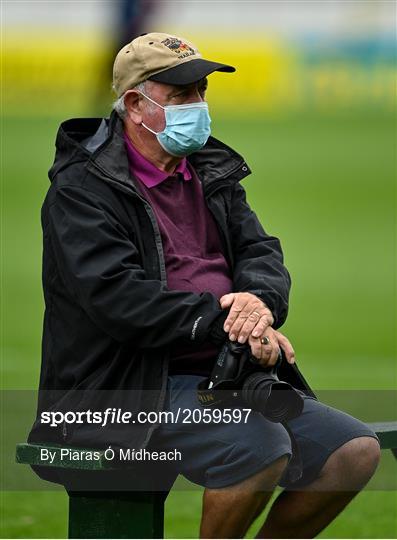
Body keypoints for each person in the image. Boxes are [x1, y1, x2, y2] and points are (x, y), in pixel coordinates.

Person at [29, 32, 380, 538]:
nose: (198, 105)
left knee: (354, 451)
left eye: (201, 92)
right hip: (125, 385)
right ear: (135, 104)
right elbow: (118, 299)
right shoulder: (81, 190)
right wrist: (227, 324)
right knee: (259, 450)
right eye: (181, 95)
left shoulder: (210, 170)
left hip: (220, 372)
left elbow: (262, 250)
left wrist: (257, 305)